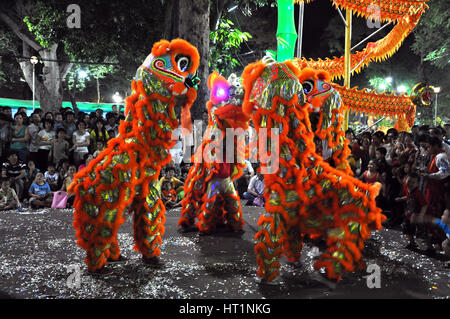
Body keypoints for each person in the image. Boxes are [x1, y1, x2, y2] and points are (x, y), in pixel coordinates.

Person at [395, 172, 427, 249]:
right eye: (409, 181)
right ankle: (412, 243)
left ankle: (430, 247)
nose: (410, 184)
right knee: (407, 228)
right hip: (409, 214)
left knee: (422, 232)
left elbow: (424, 205)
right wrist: (401, 199)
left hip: (416, 215)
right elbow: (408, 197)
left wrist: (421, 215)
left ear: (417, 184)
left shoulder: (418, 193)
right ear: (406, 180)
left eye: (413, 182)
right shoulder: (408, 189)